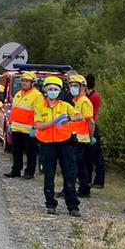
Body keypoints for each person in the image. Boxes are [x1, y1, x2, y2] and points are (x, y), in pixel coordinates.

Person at [34, 76, 81, 216]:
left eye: (55, 89)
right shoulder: (40, 106)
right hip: (47, 145)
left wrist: (68, 118)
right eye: (50, 89)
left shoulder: (65, 106)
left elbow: (79, 116)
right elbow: (37, 125)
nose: (53, 91)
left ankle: (73, 206)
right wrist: (54, 122)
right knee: (49, 175)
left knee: (70, 174)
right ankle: (50, 204)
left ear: (60, 91)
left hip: (65, 144)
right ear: (45, 91)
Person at [3, 71, 41, 179]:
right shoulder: (19, 94)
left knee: (30, 153)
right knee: (16, 152)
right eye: (23, 81)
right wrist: (10, 123)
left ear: (32, 83)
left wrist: (36, 127)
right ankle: (16, 170)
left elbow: (38, 113)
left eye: (27, 81)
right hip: (17, 128)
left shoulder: (37, 96)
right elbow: (14, 110)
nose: (24, 83)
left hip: (29, 130)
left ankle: (29, 172)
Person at [67, 74, 96, 197]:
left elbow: (91, 121)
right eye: (71, 85)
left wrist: (90, 137)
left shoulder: (84, 101)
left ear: (83, 87)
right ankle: (84, 188)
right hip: (74, 137)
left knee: (74, 165)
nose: (73, 88)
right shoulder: (75, 101)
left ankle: (73, 189)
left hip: (81, 138)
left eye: (75, 86)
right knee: (80, 165)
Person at [84, 74, 105, 189]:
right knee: (88, 156)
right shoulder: (89, 96)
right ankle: (87, 178)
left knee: (97, 156)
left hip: (92, 127)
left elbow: (92, 115)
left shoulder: (94, 97)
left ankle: (99, 180)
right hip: (88, 126)